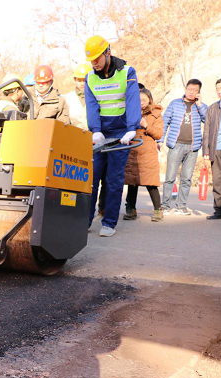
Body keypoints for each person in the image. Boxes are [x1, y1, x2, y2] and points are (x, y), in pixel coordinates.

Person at [84, 35, 142, 237]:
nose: (94, 63)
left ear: (108, 52)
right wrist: (95, 130)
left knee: (114, 179)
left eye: (97, 58)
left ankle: (109, 223)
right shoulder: (90, 77)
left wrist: (132, 128)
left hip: (121, 132)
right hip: (100, 133)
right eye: (91, 60)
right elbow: (91, 105)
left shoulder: (127, 72)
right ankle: (85, 221)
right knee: (92, 178)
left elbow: (133, 99)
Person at [160, 79, 208, 215]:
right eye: (189, 89)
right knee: (170, 177)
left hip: (193, 147)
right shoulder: (175, 104)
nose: (191, 92)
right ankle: (165, 206)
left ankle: (181, 206)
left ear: (199, 92)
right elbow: (165, 122)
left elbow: (207, 120)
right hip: (176, 145)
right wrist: (160, 140)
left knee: (186, 179)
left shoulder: (201, 106)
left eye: (195, 90)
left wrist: (200, 105)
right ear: (186, 89)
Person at [123, 86, 164, 222]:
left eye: (144, 100)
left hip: (148, 152)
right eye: (139, 99)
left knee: (150, 182)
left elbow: (159, 134)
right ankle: (130, 209)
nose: (141, 102)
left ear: (150, 100)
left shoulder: (156, 114)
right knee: (132, 181)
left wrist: (147, 126)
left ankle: (158, 210)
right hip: (133, 150)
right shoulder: (130, 112)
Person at [202, 77, 221, 220]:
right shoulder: (213, 108)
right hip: (216, 149)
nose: (219, 92)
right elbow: (207, 132)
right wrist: (206, 152)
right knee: (217, 181)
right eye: (217, 89)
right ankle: (219, 210)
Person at [64, 63, 92, 129]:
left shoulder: (95, 96)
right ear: (75, 80)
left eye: (84, 80)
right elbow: (64, 119)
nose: (82, 83)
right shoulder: (67, 98)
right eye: (79, 80)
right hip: (74, 132)